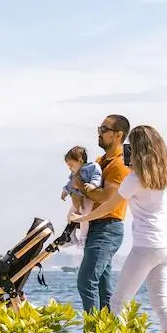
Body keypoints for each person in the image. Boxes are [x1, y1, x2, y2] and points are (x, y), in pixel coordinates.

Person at [69, 125, 167, 333]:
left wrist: (81, 218)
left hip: (145, 247)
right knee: (163, 305)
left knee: (118, 301)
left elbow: (109, 205)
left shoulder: (136, 179)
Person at [72, 115, 131, 315]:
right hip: (96, 225)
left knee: (86, 280)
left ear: (118, 135)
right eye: (100, 128)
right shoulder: (100, 161)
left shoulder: (119, 165)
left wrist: (82, 187)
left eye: (104, 129)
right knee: (103, 286)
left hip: (108, 227)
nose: (99, 132)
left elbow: (107, 197)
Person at [60, 146, 102, 246]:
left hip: (88, 198)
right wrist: (65, 190)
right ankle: (71, 237)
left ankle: (83, 238)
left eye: (71, 165)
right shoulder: (74, 173)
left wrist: (93, 185)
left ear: (79, 161)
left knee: (84, 215)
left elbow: (97, 176)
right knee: (70, 215)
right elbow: (71, 183)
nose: (70, 168)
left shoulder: (92, 167)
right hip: (78, 197)